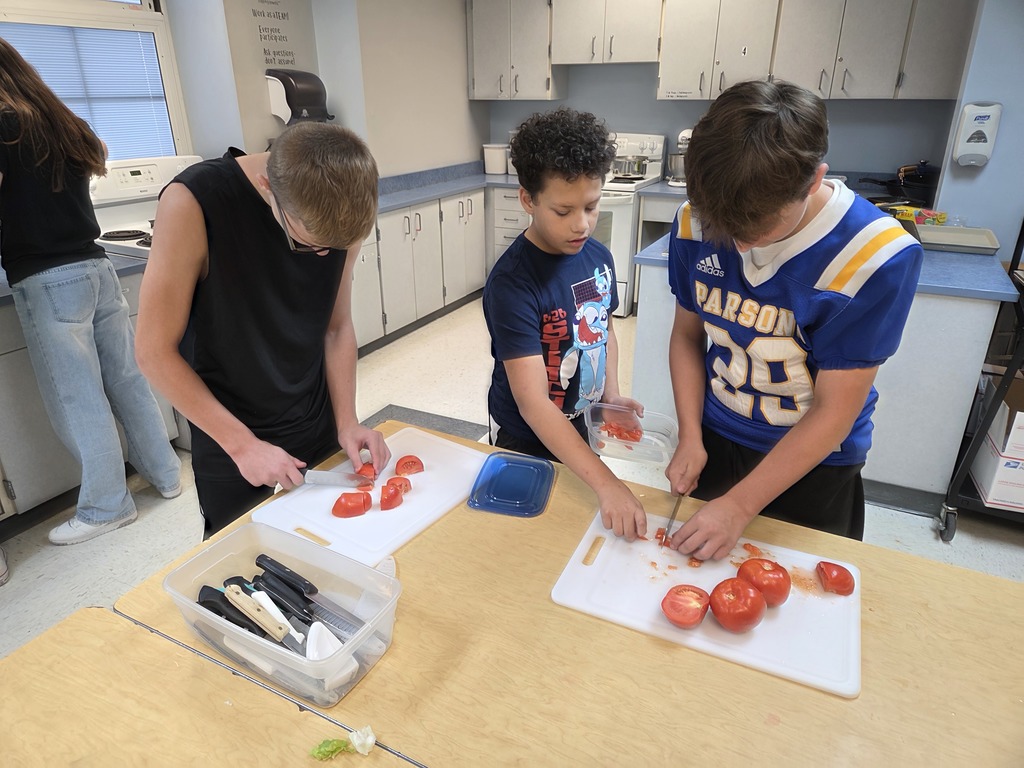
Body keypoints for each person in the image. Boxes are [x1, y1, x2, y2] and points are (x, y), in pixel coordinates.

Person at [664, 80, 924, 561]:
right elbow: (686, 336)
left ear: (813, 179)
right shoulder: (693, 221)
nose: (739, 247)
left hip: (814, 462)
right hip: (718, 433)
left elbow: (834, 412)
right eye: (725, 229)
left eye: (757, 230)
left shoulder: (873, 257)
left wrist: (739, 505)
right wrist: (690, 435)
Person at [135, 121, 390, 537]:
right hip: (229, 430)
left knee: (336, 546)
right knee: (245, 564)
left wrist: (347, 421)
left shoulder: (340, 209)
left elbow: (335, 327)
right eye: (308, 245)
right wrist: (243, 446)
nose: (324, 256)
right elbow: (152, 351)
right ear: (267, 186)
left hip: (313, 416)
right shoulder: (193, 202)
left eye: (336, 248)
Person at [0, 37, 182, 549]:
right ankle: (165, 475)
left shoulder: (3, 125)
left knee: (77, 397)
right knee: (126, 379)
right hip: (96, 267)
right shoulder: (62, 121)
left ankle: (107, 507)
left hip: (46, 279)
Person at [483, 107, 648, 541]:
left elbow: (605, 332)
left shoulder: (597, 258)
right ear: (528, 200)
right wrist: (608, 482)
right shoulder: (512, 283)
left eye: (592, 206)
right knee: (526, 538)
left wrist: (609, 396)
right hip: (525, 436)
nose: (582, 224)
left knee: (573, 530)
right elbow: (533, 403)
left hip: (578, 422)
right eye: (563, 210)